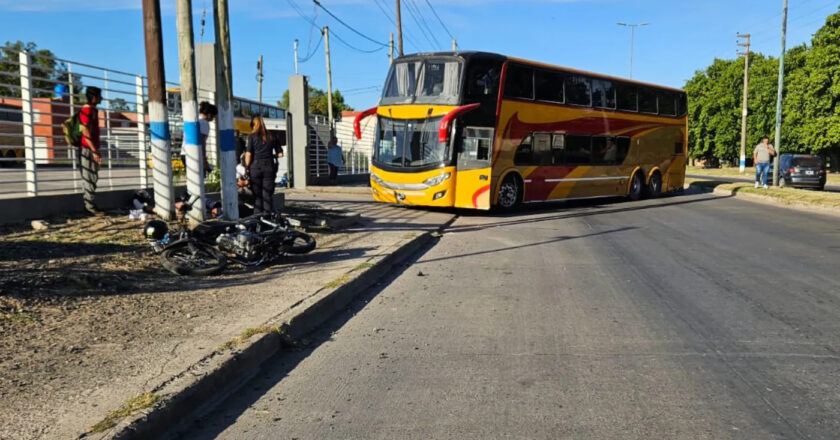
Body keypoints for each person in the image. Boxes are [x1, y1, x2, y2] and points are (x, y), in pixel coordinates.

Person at [245, 115, 283, 214]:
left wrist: (247, 167)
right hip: (269, 167)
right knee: (267, 195)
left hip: (255, 167)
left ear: (253, 125)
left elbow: (248, 154)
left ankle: (257, 219)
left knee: (257, 196)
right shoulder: (272, 136)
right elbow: (280, 154)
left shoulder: (251, 137)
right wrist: (271, 156)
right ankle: (268, 218)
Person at [79, 86, 103, 215]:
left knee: (92, 177)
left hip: (90, 148)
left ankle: (90, 205)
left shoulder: (92, 110)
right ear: (94, 97)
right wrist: (94, 150)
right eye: (100, 96)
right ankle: (90, 207)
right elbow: (85, 130)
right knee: (90, 177)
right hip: (88, 149)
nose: (102, 98)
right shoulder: (87, 111)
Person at [198, 101, 217, 175]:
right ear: (209, 115)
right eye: (214, 116)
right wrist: (204, 159)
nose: (214, 118)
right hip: (196, 155)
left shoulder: (198, 121)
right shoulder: (204, 123)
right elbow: (202, 141)